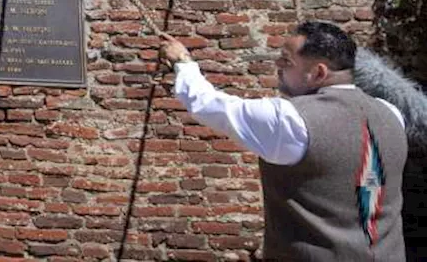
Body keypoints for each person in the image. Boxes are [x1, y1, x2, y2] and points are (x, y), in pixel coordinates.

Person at [161, 21, 407, 261]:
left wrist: (183, 62)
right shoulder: (391, 113)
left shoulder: (290, 119)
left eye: (286, 61)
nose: (277, 65)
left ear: (319, 72)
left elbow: (210, 105)